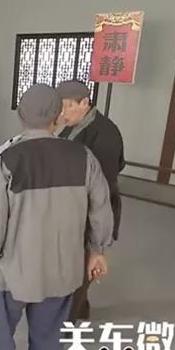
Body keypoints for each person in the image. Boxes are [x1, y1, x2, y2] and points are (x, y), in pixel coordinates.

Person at [0, 84, 114, 350]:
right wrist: (97, 251)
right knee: (50, 337)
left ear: (21, 115)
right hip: (63, 270)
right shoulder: (83, 157)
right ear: (57, 117)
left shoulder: (6, 159)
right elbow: (101, 208)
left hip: (14, 271)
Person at [56, 80, 125, 322]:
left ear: (85, 103)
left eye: (68, 106)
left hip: (91, 211)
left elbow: (103, 186)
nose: (62, 113)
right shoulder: (71, 125)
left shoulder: (105, 134)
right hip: (72, 206)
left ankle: (66, 323)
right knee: (72, 267)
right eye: (60, 107)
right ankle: (80, 310)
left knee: (79, 271)